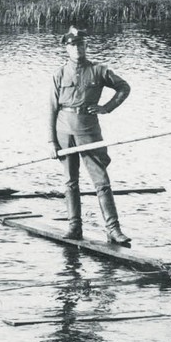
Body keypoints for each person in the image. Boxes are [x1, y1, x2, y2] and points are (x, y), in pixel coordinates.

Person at [47, 26, 131, 245]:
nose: (78, 49)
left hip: (89, 130)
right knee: (70, 181)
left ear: (86, 46)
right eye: (73, 45)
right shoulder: (59, 74)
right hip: (63, 130)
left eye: (81, 45)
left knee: (101, 180)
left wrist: (107, 107)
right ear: (67, 48)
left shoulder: (99, 70)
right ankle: (74, 227)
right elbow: (51, 109)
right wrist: (51, 141)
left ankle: (113, 230)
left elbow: (124, 88)